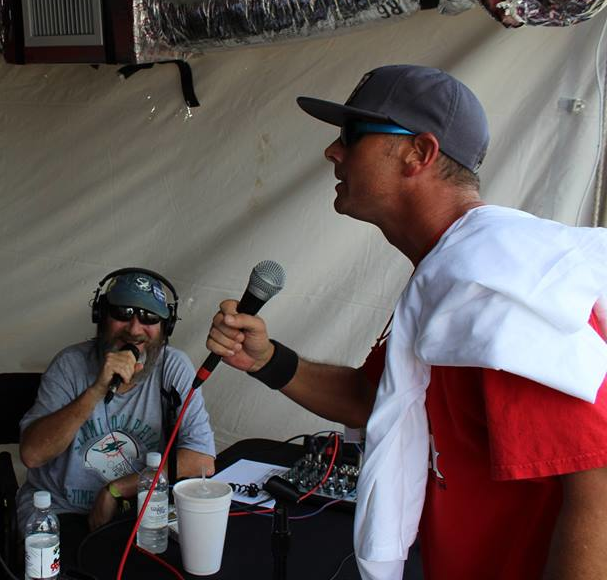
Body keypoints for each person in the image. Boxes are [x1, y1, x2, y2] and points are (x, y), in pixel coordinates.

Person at [205, 65, 607, 580]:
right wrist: (266, 360)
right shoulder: (450, 274)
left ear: (419, 152)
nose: (332, 151)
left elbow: (597, 481)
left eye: (352, 134)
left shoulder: (495, 286)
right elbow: (374, 397)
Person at [18, 268, 216, 565]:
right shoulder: (70, 365)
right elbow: (32, 455)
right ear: (101, 316)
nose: (134, 329)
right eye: (123, 313)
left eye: (149, 318)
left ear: (166, 328)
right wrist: (97, 389)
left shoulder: (173, 368)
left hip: (138, 510)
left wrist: (117, 489)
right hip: (59, 511)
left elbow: (202, 459)